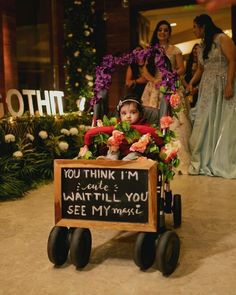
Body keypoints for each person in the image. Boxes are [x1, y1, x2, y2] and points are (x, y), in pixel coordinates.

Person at [188, 14, 236, 178]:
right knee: (204, 121)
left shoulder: (222, 38)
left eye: (195, 27)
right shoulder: (203, 44)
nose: (194, 30)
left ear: (203, 27)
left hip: (222, 84)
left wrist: (229, 83)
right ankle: (204, 159)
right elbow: (201, 69)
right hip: (207, 88)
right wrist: (192, 82)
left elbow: (232, 61)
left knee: (220, 120)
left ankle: (220, 160)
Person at [141, 20, 192, 175]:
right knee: (153, 121)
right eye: (160, 30)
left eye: (166, 30)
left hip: (170, 87)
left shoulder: (175, 50)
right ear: (156, 32)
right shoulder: (150, 50)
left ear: (169, 33)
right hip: (154, 89)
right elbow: (144, 70)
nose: (162, 32)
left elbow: (181, 68)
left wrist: (170, 77)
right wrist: (153, 80)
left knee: (175, 121)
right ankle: (153, 156)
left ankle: (176, 159)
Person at [80, 95, 163, 161]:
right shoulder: (117, 124)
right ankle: (110, 161)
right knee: (113, 149)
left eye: (133, 112)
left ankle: (124, 164)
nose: (128, 116)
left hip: (134, 152)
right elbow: (95, 132)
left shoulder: (144, 125)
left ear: (140, 114)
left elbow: (157, 136)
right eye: (124, 113)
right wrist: (87, 142)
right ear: (119, 115)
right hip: (117, 150)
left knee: (134, 155)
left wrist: (135, 129)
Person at [182, 43, 201, 108]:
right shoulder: (187, 62)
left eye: (198, 49)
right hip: (187, 87)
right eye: (195, 49)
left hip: (199, 88)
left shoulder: (203, 63)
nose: (196, 51)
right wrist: (188, 86)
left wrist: (197, 88)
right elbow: (182, 77)